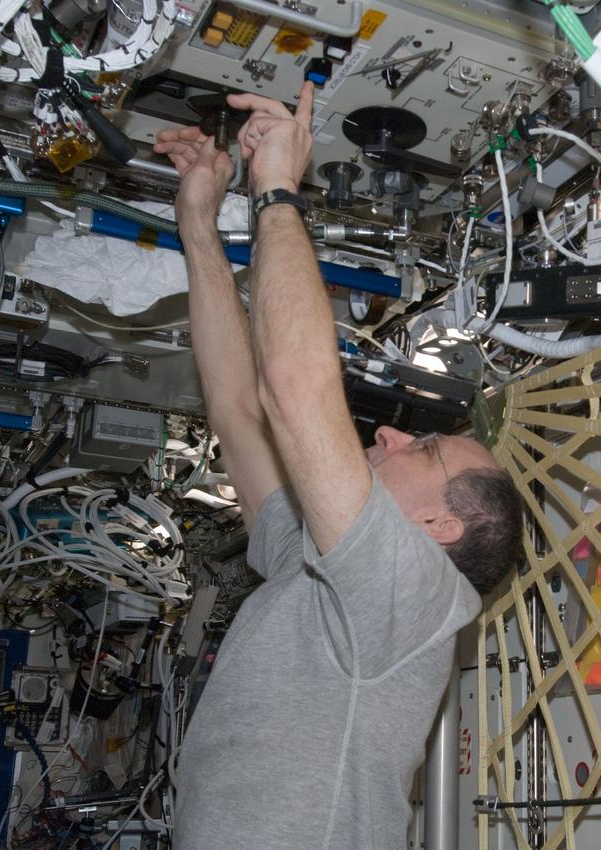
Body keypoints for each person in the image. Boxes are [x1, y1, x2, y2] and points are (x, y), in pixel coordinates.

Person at [154, 82, 524, 848]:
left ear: (437, 525)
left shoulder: (415, 596)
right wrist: (198, 220)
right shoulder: (322, 572)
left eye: (420, 449)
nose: (390, 432)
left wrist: (280, 191)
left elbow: (292, 385)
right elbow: (237, 408)